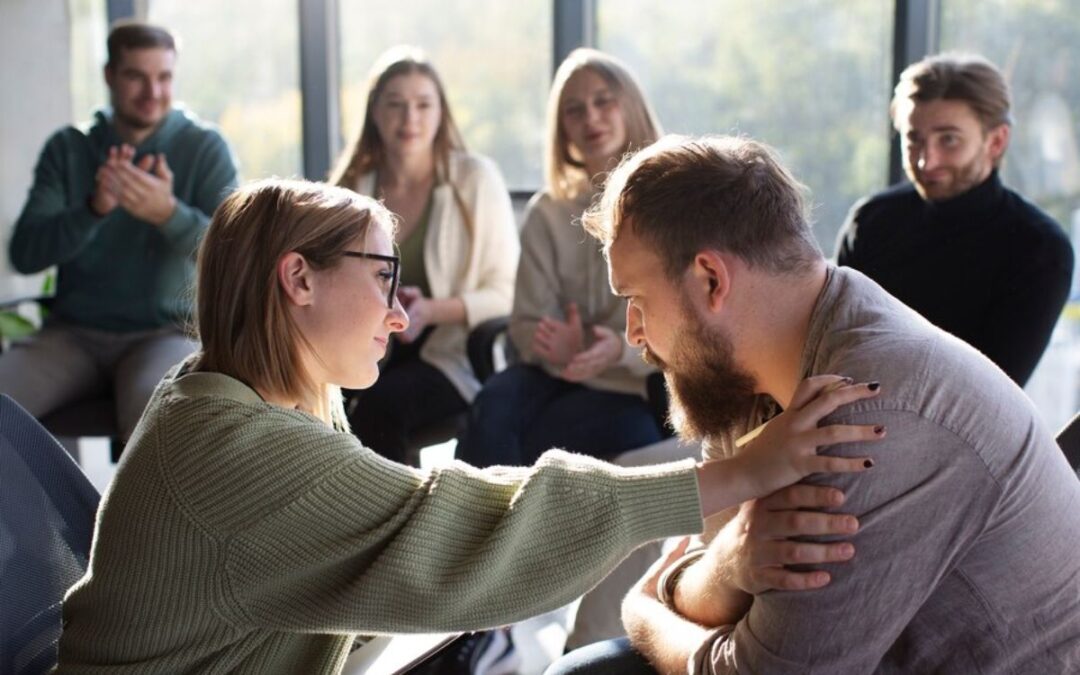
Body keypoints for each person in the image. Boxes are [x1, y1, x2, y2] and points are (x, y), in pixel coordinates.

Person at [54, 178, 881, 674]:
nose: (397, 309)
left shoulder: (231, 396)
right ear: (297, 279)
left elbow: (412, 523)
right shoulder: (232, 448)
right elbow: (455, 527)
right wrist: (735, 475)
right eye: (384, 275)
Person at [549, 134, 1080, 674]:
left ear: (711, 279)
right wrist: (729, 565)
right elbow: (703, 566)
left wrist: (641, 610)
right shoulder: (751, 368)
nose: (632, 333)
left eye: (635, 299)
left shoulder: (864, 416)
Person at [0, 21, 238, 440]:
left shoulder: (204, 148)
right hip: (71, 335)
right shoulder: (69, 149)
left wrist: (168, 214)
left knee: (162, 428)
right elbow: (26, 254)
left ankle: (128, 510)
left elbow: (236, 255)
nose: (153, 92)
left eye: (163, 77)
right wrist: (93, 210)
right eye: (136, 76)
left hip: (165, 333)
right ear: (110, 76)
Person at [458, 48, 663, 468]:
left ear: (630, 106)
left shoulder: (668, 201)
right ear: (562, 127)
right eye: (575, 110)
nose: (590, 117)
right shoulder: (548, 211)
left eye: (603, 101)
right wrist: (560, 349)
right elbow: (525, 322)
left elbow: (687, 321)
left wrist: (616, 350)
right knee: (489, 412)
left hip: (632, 382)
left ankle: (511, 531)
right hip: (550, 372)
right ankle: (472, 532)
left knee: (549, 437)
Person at [835, 52, 1074, 386]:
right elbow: (831, 350)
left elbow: (989, 393)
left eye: (949, 140)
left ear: (996, 141)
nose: (925, 162)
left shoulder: (1040, 249)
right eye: (913, 139)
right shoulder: (871, 221)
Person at [329, 46, 519, 463]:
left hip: (452, 354)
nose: (409, 118)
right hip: (367, 342)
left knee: (381, 408)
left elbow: (507, 293)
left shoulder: (474, 179)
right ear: (374, 113)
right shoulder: (353, 186)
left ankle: (397, 524)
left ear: (441, 113)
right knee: (309, 397)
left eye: (423, 104)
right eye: (395, 105)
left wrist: (432, 310)